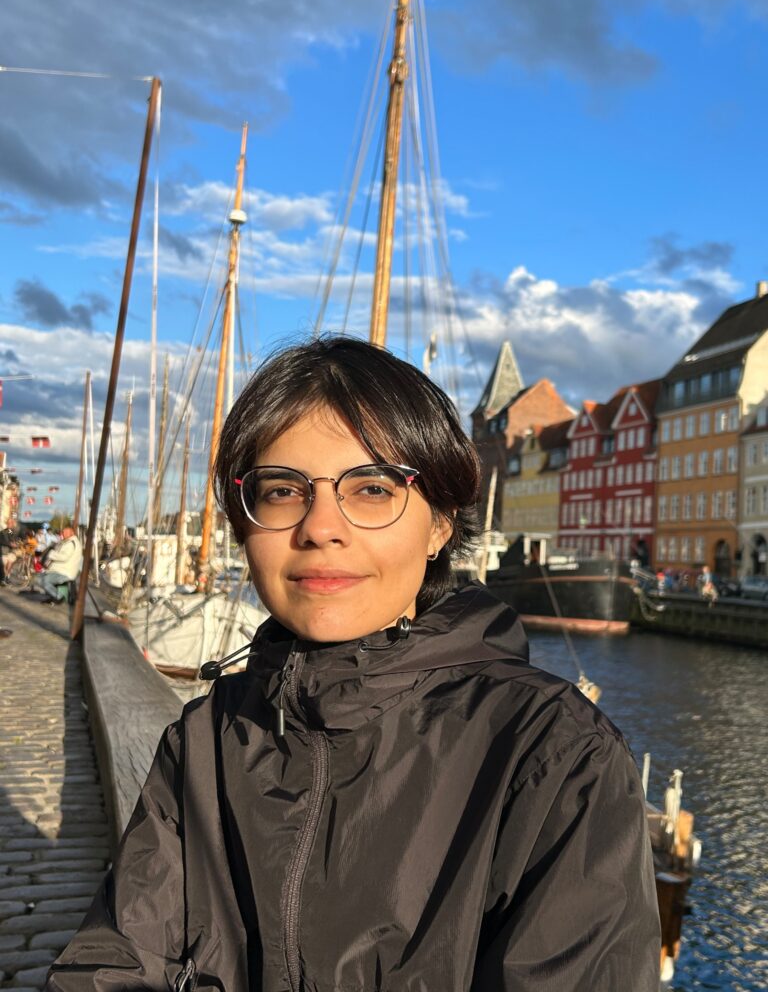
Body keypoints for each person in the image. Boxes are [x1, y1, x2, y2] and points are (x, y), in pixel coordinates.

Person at [46, 337, 660, 990]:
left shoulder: (554, 755)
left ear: (440, 525)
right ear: (244, 523)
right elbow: (116, 963)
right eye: (282, 490)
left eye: (371, 488)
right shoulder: (204, 743)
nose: (320, 527)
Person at [35, 526, 82, 604]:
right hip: (59, 570)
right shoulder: (68, 541)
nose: (63, 534)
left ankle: (58, 596)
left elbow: (64, 557)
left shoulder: (71, 543)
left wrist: (50, 553)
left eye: (66, 532)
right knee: (39, 578)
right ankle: (53, 595)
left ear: (72, 533)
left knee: (44, 580)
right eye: (63, 532)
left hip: (64, 572)